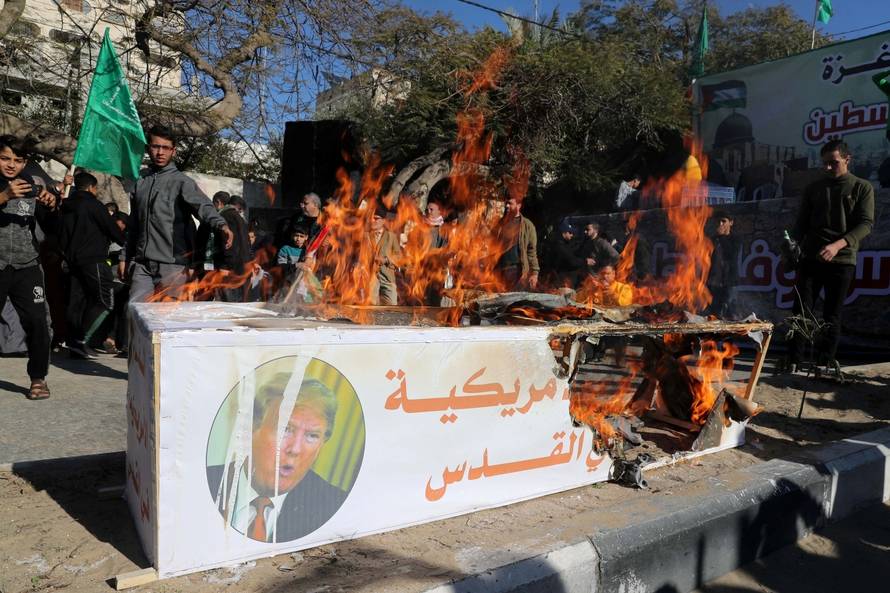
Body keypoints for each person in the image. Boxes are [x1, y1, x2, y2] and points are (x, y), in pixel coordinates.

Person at [207, 374, 347, 543]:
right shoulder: (205, 483)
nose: (295, 449)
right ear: (251, 428)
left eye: (312, 436)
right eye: (284, 429)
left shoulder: (335, 505)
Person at [786, 140, 874, 371]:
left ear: (847, 159)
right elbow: (801, 224)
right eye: (824, 163)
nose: (827, 168)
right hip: (810, 260)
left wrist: (838, 245)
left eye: (833, 163)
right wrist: (791, 245)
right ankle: (793, 360)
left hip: (842, 261)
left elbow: (865, 224)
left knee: (831, 315)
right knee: (801, 312)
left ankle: (824, 363)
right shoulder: (814, 189)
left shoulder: (862, 187)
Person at [124, 125, 233, 302]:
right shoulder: (140, 182)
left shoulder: (182, 182)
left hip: (173, 266)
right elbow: (133, 225)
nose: (160, 152)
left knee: (167, 319)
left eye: (166, 148)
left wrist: (221, 224)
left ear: (173, 151)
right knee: (135, 314)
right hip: (141, 265)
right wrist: (124, 257)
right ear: (148, 148)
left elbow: (203, 206)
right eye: (155, 146)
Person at [0, 135, 57, 399]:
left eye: (18, 160)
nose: (11, 165)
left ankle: (38, 379)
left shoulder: (32, 185)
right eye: (5, 158)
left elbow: (53, 228)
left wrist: (52, 204)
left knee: (37, 322)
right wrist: (4, 195)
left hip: (27, 265)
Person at [59, 171, 126, 358]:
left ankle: (74, 343)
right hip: (93, 259)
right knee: (106, 301)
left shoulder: (65, 206)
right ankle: (81, 339)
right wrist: (125, 242)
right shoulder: (94, 205)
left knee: (77, 302)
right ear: (91, 188)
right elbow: (112, 229)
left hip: (72, 261)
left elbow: (60, 233)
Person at [496, 196, 539, 291]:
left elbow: (532, 252)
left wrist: (534, 273)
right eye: (506, 203)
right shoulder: (500, 224)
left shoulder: (527, 225)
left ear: (519, 206)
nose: (507, 206)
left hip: (517, 271)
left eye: (510, 203)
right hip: (501, 271)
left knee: (515, 302)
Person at [705, 210, 741, 319]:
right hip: (713, 283)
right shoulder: (712, 239)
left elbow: (730, 254)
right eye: (718, 221)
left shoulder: (735, 239)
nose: (720, 224)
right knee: (713, 313)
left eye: (723, 221)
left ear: (731, 222)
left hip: (729, 282)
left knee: (728, 311)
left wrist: (722, 237)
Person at [367, 207, 400, 305]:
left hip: (387, 277)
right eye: (372, 218)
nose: (373, 221)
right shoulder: (366, 236)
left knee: (392, 306)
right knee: (370, 306)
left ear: (383, 221)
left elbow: (399, 257)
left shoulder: (391, 236)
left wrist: (386, 260)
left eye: (376, 218)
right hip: (370, 276)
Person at [547, 220, 587, 289]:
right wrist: (585, 261)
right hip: (560, 279)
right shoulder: (559, 245)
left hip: (559, 277)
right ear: (564, 232)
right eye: (570, 233)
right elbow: (571, 261)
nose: (572, 235)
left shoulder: (563, 243)